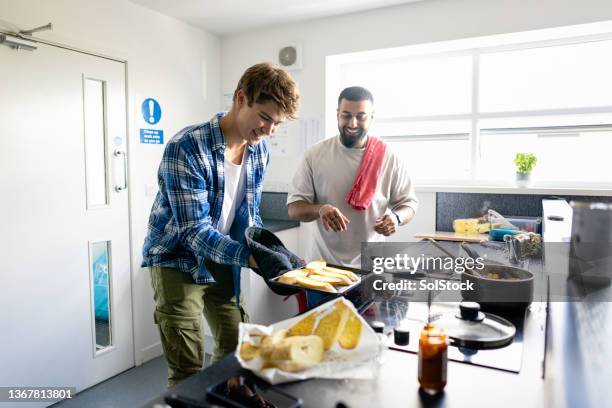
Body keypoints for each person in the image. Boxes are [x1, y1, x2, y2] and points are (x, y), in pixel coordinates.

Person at [142, 63, 299, 387]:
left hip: (220, 258)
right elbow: (193, 230)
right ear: (241, 98)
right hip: (176, 259)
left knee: (233, 349)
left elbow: (250, 215)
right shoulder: (186, 147)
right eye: (265, 117)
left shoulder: (259, 150)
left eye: (277, 123)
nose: (270, 130)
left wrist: (272, 253)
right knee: (187, 370)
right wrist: (250, 258)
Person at [287, 86, 418, 268]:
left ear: (371, 117)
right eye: (346, 115)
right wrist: (320, 209)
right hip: (323, 266)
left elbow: (409, 204)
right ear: (337, 115)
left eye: (361, 116)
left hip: (371, 266)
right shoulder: (315, 155)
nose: (353, 123)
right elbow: (294, 209)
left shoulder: (388, 157)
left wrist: (396, 218)